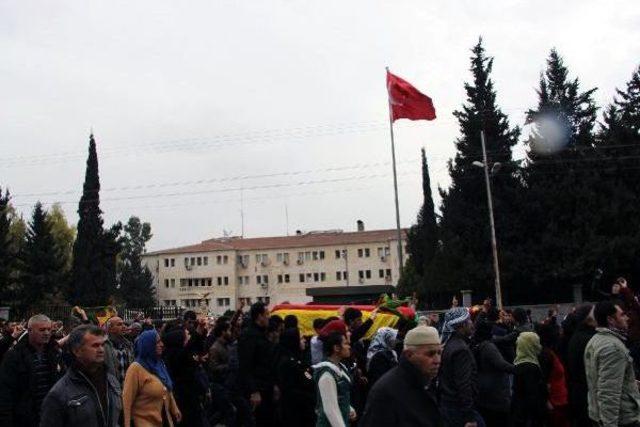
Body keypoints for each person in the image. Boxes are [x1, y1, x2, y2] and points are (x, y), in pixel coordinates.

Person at [39, 324, 121, 427]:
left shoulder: (112, 382)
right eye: (95, 345)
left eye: (102, 344)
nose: (101, 350)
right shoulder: (60, 393)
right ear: (77, 351)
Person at [360, 325, 443, 427]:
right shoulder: (387, 391)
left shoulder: (426, 382)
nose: (437, 360)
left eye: (439, 353)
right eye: (430, 354)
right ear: (409, 355)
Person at [0, 314, 63, 427]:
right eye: (42, 330)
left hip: (49, 416)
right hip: (24, 419)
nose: (46, 333)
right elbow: (5, 393)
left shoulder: (55, 354)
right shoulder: (14, 356)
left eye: (49, 329)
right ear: (30, 331)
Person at [584, 301, 640, 427]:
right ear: (610, 320)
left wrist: (630, 383)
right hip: (621, 419)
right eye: (622, 315)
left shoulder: (596, 339)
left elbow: (601, 379)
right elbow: (609, 393)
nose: (627, 318)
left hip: (599, 414)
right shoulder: (613, 347)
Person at [123, 330, 181, 427]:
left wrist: (174, 407)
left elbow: (166, 386)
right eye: (157, 342)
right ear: (148, 345)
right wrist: (127, 424)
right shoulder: (136, 368)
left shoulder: (159, 364)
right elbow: (127, 400)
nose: (161, 345)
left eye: (161, 341)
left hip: (163, 420)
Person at [439, 307, 483, 427]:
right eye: (469, 321)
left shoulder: (450, 344)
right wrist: (469, 417)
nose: (471, 324)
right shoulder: (460, 349)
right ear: (461, 325)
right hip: (458, 408)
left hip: (449, 405)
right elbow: (464, 384)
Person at [238, 301, 277, 426]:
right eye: (267, 314)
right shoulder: (249, 335)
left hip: (266, 386)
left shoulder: (261, 334)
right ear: (259, 316)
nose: (268, 317)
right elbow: (245, 366)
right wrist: (254, 391)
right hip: (258, 390)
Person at [473, 319, 514, 427]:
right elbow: (501, 364)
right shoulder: (488, 347)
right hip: (495, 394)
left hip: (483, 392)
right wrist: (518, 369)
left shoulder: (477, 344)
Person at [163, 327, 208, 427]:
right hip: (184, 401)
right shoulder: (176, 356)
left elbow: (197, 348)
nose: (189, 337)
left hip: (193, 399)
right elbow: (188, 349)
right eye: (187, 336)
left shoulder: (184, 355)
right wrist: (197, 333)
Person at [313, 330, 355, 427]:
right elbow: (330, 409)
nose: (349, 346)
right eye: (345, 343)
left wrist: (349, 408)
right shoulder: (327, 374)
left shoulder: (341, 367)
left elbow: (338, 397)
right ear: (336, 348)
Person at [277, 327, 315, 427]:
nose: (304, 341)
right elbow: (291, 388)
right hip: (295, 411)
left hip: (304, 408)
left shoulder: (298, 359)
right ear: (293, 341)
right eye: (301, 338)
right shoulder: (288, 362)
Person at [566, 304, 595, 427]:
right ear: (587, 319)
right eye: (594, 313)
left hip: (579, 393)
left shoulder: (577, 336)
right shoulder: (588, 339)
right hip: (587, 394)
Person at [511, 331, 547, 427]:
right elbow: (532, 396)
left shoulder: (518, 363)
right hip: (528, 416)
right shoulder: (531, 368)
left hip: (518, 412)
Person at [104, 316, 134, 387]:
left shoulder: (128, 345)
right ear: (110, 329)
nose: (124, 327)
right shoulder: (104, 346)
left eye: (123, 324)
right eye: (119, 324)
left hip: (127, 389)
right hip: (112, 390)